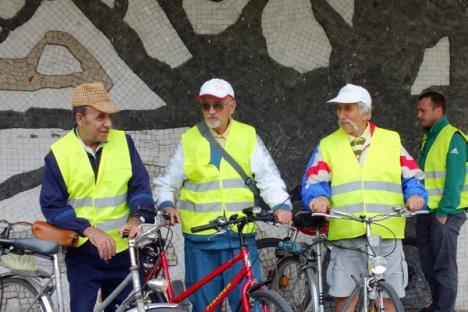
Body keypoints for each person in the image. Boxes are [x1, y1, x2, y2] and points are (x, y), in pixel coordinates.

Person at [153, 78, 292, 311]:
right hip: (201, 242)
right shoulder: (189, 140)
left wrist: (281, 205)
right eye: (205, 105)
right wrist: (167, 204)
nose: (210, 111)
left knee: (249, 304)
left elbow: (267, 177)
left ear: (232, 106)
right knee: (205, 307)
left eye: (217, 105)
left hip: (240, 239)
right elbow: (165, 183)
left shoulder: (248, 135)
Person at [301, 83, 427, 311]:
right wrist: (319, 197)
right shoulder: (328, 145)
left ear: (366, 112)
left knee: (389, 298)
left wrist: (416, 196)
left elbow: (413, 176)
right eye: (339, 109)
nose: (341, 115)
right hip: (347, 232)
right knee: (345, 297)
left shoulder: (391, 140)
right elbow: (313, 181)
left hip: (385, 230)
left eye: (348, 109)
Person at [40, 82, 155, 312]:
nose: (108, 124)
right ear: (80, 119)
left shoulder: (124, 142)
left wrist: (136, 219)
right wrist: (89, 231)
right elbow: (52, 205)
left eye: (110, 117)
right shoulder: (59, 154)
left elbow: (140, 186)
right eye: (101, 117)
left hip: (125, 253)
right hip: (83, 256)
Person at [415, 91, 467, 312]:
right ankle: (437, 306)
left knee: (444, 269)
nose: (419, 115)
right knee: (429, 267)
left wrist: (443, 212)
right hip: (427, 214)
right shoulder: (429, 137)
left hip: (445, 214)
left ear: (438, 111)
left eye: (423, 110)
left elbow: (454, 181)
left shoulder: (453, 137)